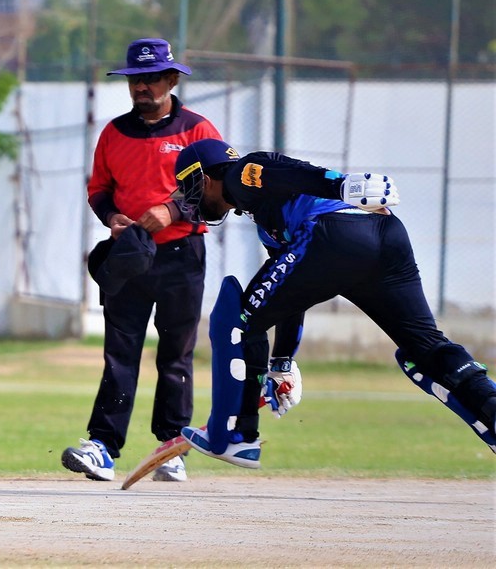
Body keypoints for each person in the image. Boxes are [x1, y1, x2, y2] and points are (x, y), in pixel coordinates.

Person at [171, 139, 496, 466]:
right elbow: (288, 296)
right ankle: (491, 411)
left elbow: (285, 170)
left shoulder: (240, 174)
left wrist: (340, 184)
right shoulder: (269, 223)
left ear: (205, 178)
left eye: (188, 187)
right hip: (386, 233)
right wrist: (281, 363)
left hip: (336, 233)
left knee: (234, 322)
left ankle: (233, 436)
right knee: (424, 350)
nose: (190, 200)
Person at [61, 38, 223, 483]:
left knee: (176, 355)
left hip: (182, 254)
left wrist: (173, 210)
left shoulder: (198, 130)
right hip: (130, 255)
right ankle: (102, 447)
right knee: (119, 352)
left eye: (151, 79)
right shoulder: (114, 133)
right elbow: (99, 189)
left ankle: (171, 448)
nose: (142, 87)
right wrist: (111, 217)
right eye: (135, 79)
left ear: (171, 80)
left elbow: (220, 190)